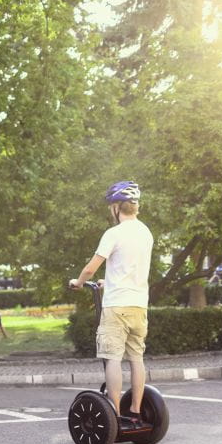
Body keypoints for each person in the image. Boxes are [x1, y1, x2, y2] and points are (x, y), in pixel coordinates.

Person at [69, 180, 153, 426]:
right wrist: (110, 281)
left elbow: (90, 268)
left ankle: (114, 415)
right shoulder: (145, 232)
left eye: (111, 206)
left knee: (113, 358)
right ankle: (136, 412)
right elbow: (130, 268)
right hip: (139, 304)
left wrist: (79, 282)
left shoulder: (114, 234)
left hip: (117, 307)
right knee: (136, 359)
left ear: (117, 207)